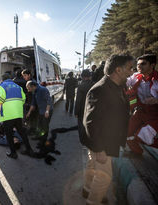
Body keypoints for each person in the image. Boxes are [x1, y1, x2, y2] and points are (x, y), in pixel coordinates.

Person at [82, 54, 133, 204]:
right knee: (104, 177)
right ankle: (92, 201)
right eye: (130, 68)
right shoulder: (100, 89)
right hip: (101, 143)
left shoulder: (118, 86)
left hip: (106, 139)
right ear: (118, 69)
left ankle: (86, 189)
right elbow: (90, 122)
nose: (132, 72)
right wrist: (99, 149)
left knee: (92, 166)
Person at [126, 54, 158, 154]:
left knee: (144, 135)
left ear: (152, 65)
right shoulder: (135, 77)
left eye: (143, 64)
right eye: (138, 64)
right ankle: (137, 151)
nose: (139, 66)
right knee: (127, 131)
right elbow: (123, 82)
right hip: (141, 111)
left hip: (156, 114)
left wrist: (157, 100)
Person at [0, 73, 34, 159]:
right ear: (11, 79)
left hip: (8, 115)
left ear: (2, 79)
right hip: (18, 114)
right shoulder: (18, 87)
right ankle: (29, 150)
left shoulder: (1, 86)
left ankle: (13, 153)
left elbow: (0, 100)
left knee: (9, 135)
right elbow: (24, 99)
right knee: (22, 132)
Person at [74, 69, 94, 145]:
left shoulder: (81, 86)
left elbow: (78, 100)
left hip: (82, 109)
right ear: (90, 76)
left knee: (81, 125)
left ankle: (83, 140)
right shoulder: (94, 85)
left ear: (83, 77)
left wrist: (76, 112)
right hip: (92, 108)